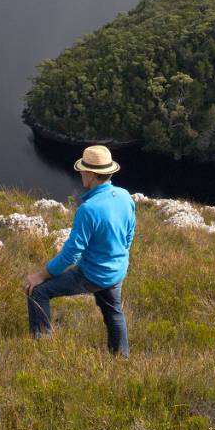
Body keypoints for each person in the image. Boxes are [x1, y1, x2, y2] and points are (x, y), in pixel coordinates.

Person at [23, 144, 136, 356]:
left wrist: (40, 275)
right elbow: (128, 234)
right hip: (117, 270)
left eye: (83, 169)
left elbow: (71, 254)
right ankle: (122, 360)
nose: (80, 172)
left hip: (92, 274)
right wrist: (116, 258)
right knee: (114, 313)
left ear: (92, 175)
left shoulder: (88, 209)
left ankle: (43, 349)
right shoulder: (124, 196)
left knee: (38, 291)